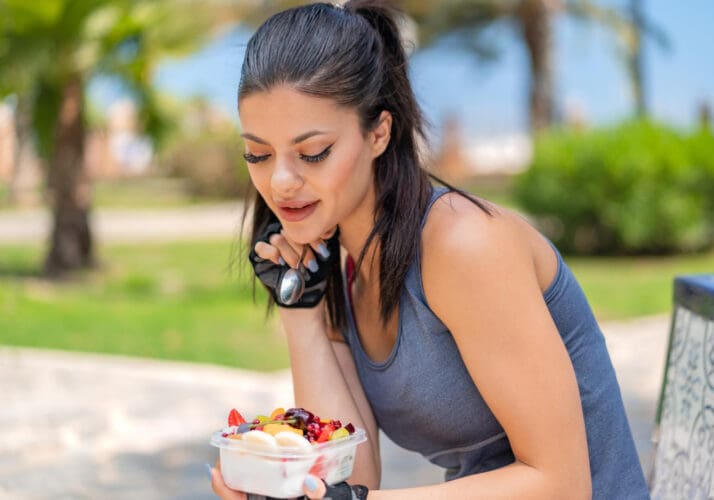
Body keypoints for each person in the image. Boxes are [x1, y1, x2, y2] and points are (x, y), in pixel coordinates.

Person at [210, 1, 649, 498]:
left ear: (379, 132)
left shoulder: (463, 245)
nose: (281, 181)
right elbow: (351, 475)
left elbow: (562, 484)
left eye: (313, 153)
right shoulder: (337, 257)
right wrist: (301, 309)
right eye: (258, 154)